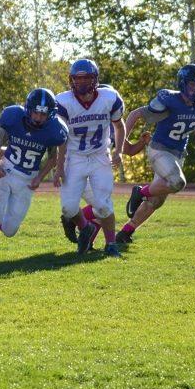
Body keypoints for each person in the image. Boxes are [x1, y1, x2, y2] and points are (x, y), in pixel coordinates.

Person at [0, 88, 68, 270]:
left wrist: (41, 176)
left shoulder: (55, 129)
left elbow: (55, 155)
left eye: (43, 114)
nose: (38, 117)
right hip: (6, 171)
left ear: (50, 115)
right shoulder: (13, 118)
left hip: (27, 180)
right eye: (36, 112)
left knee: (9, 230)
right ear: (28, 109)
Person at [119, 63, 195, 244]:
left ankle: (125, 232)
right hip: (159, 149)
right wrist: (123, 140)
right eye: (192, 84)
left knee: (156, 201)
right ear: (183, 83)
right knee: (177, 182)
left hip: (178, 154)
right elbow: (135, 114)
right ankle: (140, 192)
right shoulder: (169, 100)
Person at [54, 59, 126, 257]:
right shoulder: (63, 101)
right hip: (74, 157)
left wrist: (119, 150)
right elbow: (60, 137)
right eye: (78, 78)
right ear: (71, 80)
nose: (82, 82)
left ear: (95, 79)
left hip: (99, 156)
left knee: (103, 204)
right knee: (68, 209)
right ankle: (86, 228)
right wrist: (59, 166)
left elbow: (119, 125)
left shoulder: (109, 98)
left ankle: (111, 244)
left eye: (86, 78)